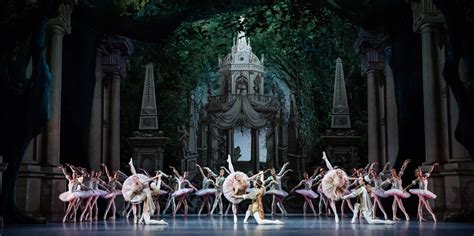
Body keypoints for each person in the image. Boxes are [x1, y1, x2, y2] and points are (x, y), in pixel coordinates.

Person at [321, 152, 354, 223]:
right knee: (332, 200)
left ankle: (354, 212)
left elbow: (348, 178)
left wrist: (357, 179)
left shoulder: (340, 175)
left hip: (339, 188)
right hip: (332, 188)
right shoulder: (332, 174)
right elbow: (329, 167)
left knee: (347, 199)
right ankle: (336, 215)